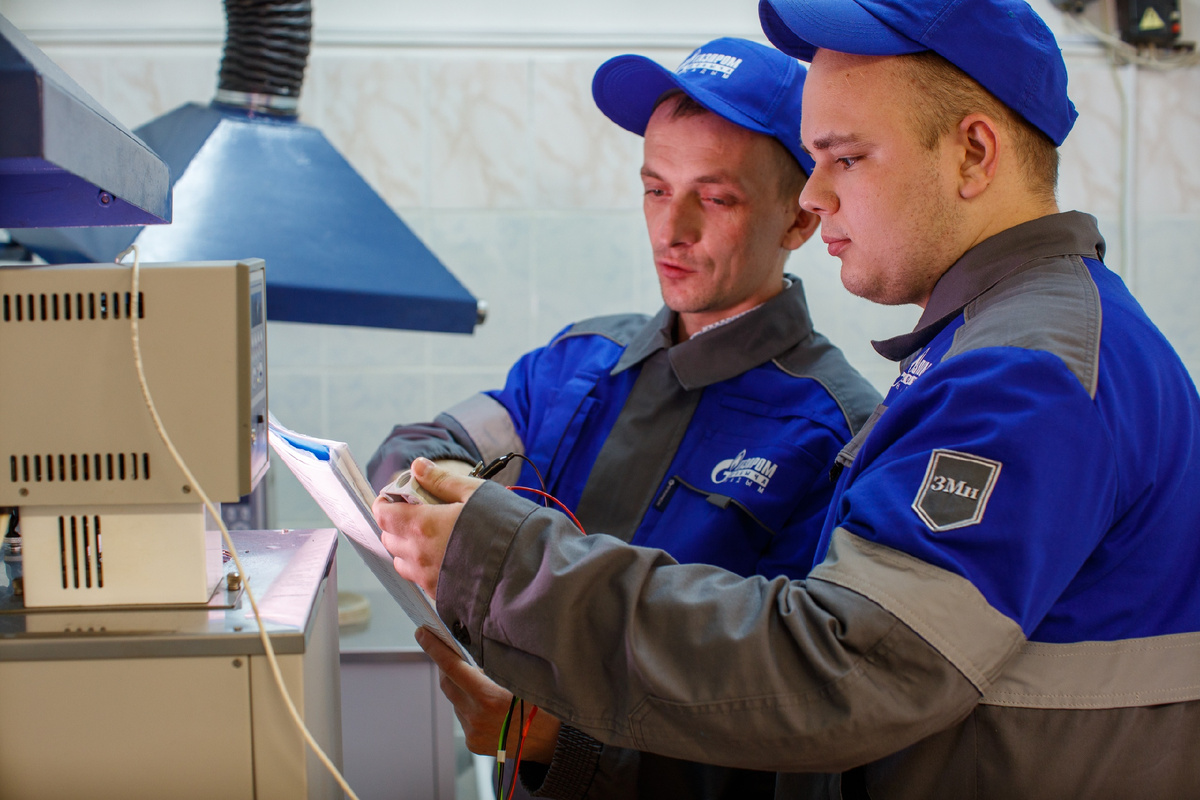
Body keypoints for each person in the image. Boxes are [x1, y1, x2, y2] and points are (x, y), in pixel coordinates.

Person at [376, 0, 1200, 796]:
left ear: (974, 155)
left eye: (845, 158)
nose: (815, 195)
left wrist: (511, 565)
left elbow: (847, 669)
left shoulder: (1020, 374)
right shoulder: (1003, 346)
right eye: (655, 187)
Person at [367, 37, 879, 799]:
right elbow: (420, 446)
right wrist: (417, 504)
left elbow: (798, 730)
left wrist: (554, 742)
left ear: (799, 222)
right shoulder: (575, 363)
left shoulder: (838, 435)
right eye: (654, 187)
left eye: (715, 198)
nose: (671, 229)